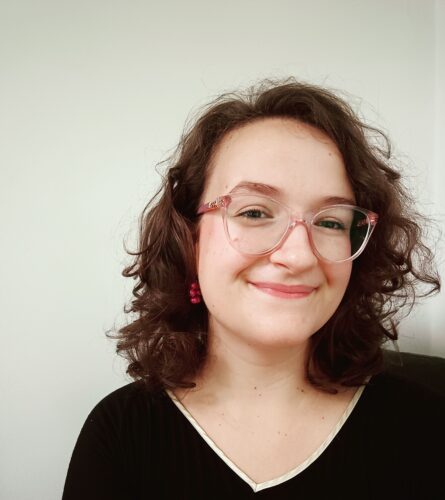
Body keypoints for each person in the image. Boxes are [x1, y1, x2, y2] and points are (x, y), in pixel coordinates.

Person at [62, 79, 444, 499]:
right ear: (189, 237)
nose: (299, 256)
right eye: (255, 212)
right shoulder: (120, 434)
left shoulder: (423, 425)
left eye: (331, 221)